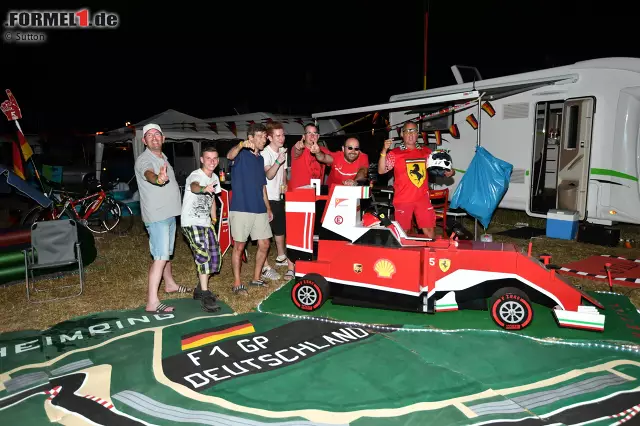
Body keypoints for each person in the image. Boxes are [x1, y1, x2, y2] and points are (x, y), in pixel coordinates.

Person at [134, 123, 187, 313]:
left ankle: (170, 284)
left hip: (168, 213)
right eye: (150, 135)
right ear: (144, 141)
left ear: (163, 138)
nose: (155, 138)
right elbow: (149, 174)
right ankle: (152, 302)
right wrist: (157, 179)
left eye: (158, 134)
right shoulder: (144, 160)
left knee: (166, 254)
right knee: (160, 256)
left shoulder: (163, 157)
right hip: (157, 216)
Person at [377, 122, 455, 238]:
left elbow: (441, 168)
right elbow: (381, 170)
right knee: (404, 234)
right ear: (402, 134)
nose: (410, 134)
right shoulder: (395, 153)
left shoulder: (426, 152)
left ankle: (430, 255)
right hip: (403, 200)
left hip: (422, 199)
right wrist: (384, 150)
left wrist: (450, 172)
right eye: (407, 131)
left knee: (430, 232)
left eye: (413, 130)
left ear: (417, 134)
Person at [226, 123, 273, 295]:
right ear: (250, 138)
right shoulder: (241, 155)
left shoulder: (260, 159)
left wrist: (268, 208)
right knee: (239, 246)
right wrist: (241, 144)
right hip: (241, 208)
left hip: (259, 208)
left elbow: (262, 187)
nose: (263, 139)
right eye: (259, 136)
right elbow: (229, 155)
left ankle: (256, 278)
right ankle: (237, 283)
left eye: (264, 136)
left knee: (265, 243)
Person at [180, 146, 222, 312]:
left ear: (218, 161)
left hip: (206, 222)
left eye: (215, 158)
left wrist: (213, 219)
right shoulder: (196, 175)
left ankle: (199, 288)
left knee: (215, 258)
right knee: (203, 255)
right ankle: (205, 294)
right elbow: (195, 187)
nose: (212, 161)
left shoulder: (216, 178)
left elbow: (212, 199)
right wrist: (204, 188)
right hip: (191, 222)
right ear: (202, 160)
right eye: (208, 158)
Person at [261, 121, 295, 281]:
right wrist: (278, 161)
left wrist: (284, 186)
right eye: (278, 135)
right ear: (269, 137)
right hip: (266, 198)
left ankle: (281, 256)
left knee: (281, 230)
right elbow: (269, 175)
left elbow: (282, 174)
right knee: (265, 234)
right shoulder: (265, 153)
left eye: (283, 135)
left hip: (279, 196)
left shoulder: (283, 151)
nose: (282, 138)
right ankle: (264, 266)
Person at [288, 123, 331, 189]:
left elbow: (333, 161)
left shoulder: (324, 150)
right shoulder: (297, 147)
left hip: (317, 194)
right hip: (298, 194)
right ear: (304, 137)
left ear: (318, 136)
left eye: (314, 133)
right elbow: (296, 152)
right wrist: (298, 148)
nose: (312, 136)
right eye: (309, 133)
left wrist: (318, 152)